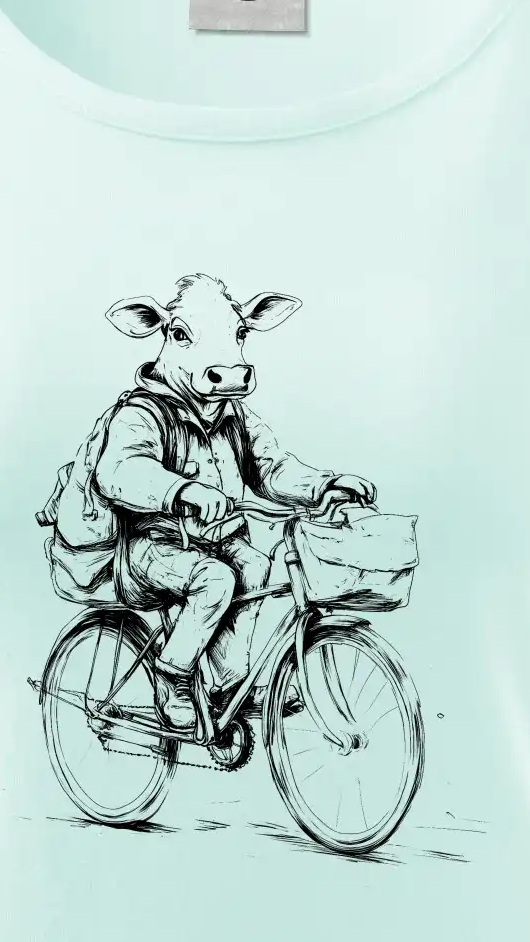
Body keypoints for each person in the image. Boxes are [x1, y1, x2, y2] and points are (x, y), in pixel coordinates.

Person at [93, 274, 375, 729]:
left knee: (256, 565)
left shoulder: (234, 416)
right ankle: (172, 676)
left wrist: (323, 486)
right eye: (184, 335)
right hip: (153, 546)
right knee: (217, 579)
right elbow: (120, 470)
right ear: (159, 333)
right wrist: (181, 490)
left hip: (221, 539)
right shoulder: (142, 412)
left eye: (238, 334)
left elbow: (271, 467)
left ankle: (226, 683)